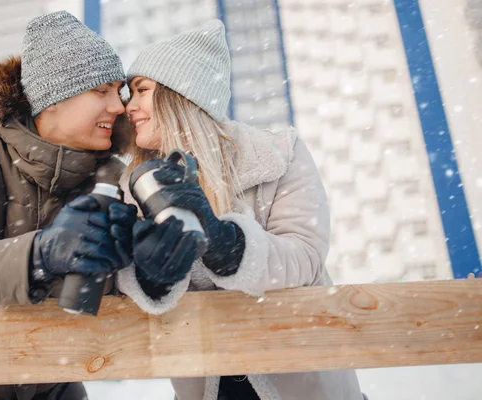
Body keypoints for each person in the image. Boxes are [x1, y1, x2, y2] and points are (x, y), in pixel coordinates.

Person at [115, 20, 365, 400]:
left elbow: (305, 256)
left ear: (182, 94)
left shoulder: (278, 155)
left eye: (142, 91)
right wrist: (150, 276)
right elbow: (129, 285)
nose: (129, 106)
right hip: (206, 382)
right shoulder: (134, 186)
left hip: (299, 379)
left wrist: (225, 243)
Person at [0, 10, 137, 400]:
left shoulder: (110, 177)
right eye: (100, 91)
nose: (118, 106)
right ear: (53, 99)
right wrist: (41, 253)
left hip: (58, 381)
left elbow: (114, 293)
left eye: (117, 91)